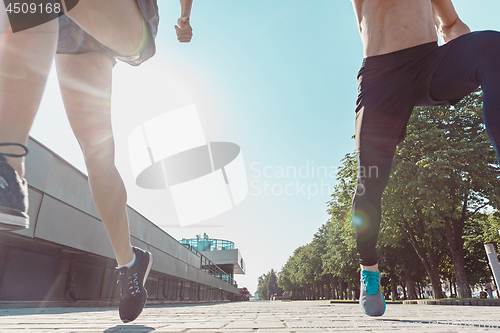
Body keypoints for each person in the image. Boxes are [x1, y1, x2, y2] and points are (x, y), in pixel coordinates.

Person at [0, 0, 193, 323]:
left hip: (122, 20)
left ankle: (8, 165)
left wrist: (184, 17)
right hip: (66, 33)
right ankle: (129, 263)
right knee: (97, 155)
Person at [350, 0, 500, 316]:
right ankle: (369, 269)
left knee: (492, 46)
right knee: (369, 184)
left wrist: (466, 56)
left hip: (429, 63)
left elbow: (451, 24)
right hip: (382, 77)